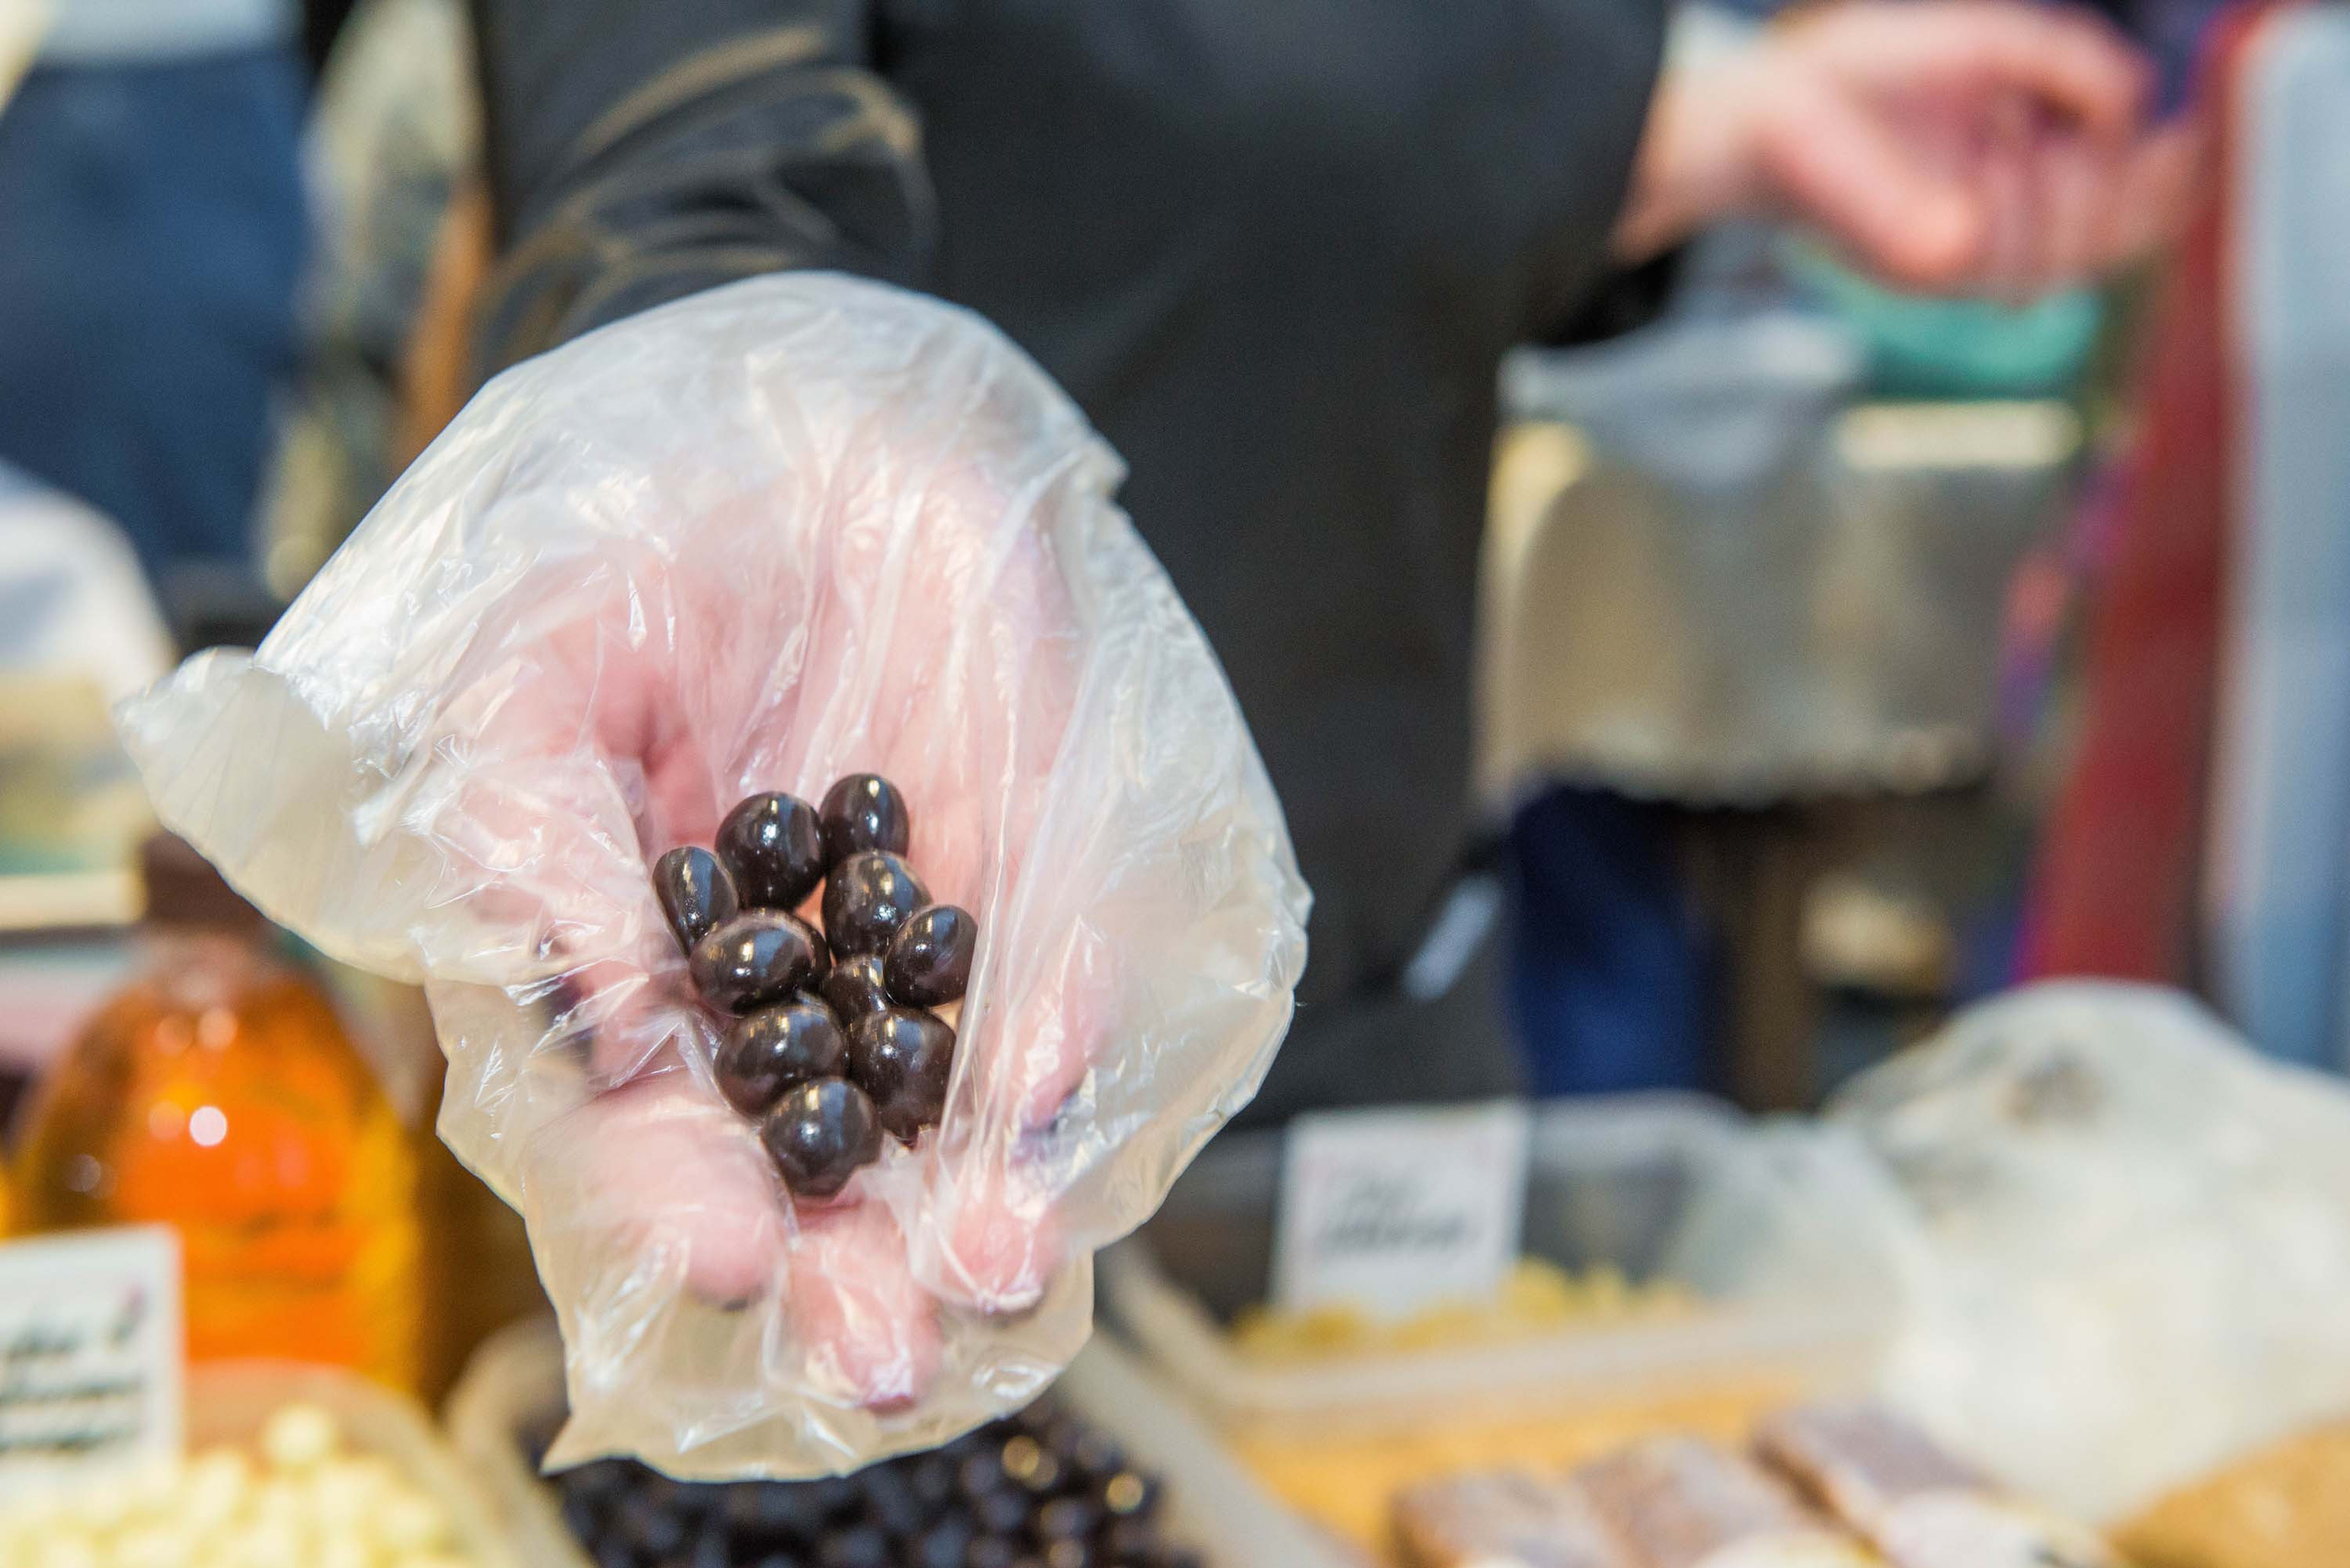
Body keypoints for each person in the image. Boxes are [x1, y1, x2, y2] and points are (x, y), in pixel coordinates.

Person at [447, 0, 2191, 1398]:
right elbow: (681, 139)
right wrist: (724, 425)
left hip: (1355, 969)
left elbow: (1298, 96)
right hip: (912, 940)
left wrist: (1687, 113)